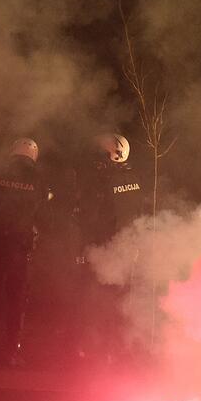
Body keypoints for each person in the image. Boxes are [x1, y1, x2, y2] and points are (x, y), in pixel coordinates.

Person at [0, 138, 46, 365]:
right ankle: (11, 351)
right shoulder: (38, 178)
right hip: (19, 248)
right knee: (15, 303)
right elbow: (42, 210)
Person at [74, 133, 144, 360]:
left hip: (104, 251)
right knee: (123, 303)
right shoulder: (135, 178)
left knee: (97, 300)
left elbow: (92, 217)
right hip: (128, 250)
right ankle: (120, 351)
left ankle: (98, 351)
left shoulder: (102, 181)